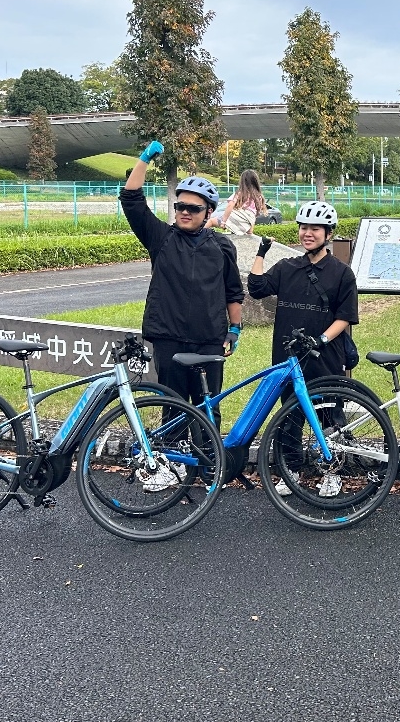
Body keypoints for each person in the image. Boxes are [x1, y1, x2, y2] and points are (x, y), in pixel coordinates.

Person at [120, 141, 245, 486]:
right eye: (180, 206)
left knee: (208, 406)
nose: (185, 212)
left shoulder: (222, 246)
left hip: (209, 339)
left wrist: (235, 329)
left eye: (193, 208)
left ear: (208, 213)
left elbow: (234, 292)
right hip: (169, 337)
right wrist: (143, 159)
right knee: (172, 405)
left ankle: (207, 467)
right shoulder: (161, 238)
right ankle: (168, 467)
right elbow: (131, 200)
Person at [247, 199, 359, 497]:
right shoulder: (287, 267)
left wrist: (321, 339)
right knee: (290, 416)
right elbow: (257, 288)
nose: (307, 233)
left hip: (325, 356)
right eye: (303, 227)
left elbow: (345, 317)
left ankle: (332, 471)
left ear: (328, 234)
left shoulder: (341, 273)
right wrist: (261, 252)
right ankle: (292, 469)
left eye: (315, 228)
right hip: (289, 357)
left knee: (328, 414)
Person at [208, 168, 269, 237]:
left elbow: (230, 206)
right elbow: (254, 213)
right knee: (248, 231)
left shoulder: (240, 193)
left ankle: (197, 238)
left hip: (235, 219)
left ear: (242, 181)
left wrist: (223, 221)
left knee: (211, 221)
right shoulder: (259, 196)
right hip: (247, 223)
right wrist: (250, 231)